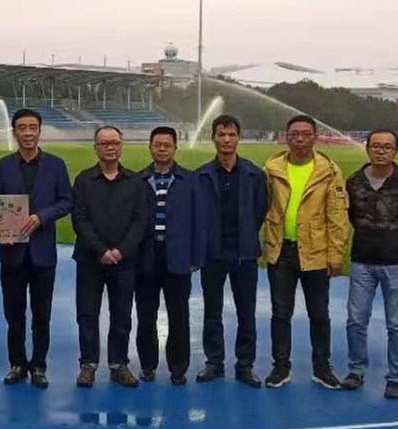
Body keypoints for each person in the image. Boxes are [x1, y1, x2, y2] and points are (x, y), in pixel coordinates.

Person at [262, 115, 350, 391]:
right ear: (287, 137)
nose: (300, 139)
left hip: (315, 251)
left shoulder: (329, 171)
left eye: (306, 134)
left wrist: (336, 254)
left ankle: (322, 368)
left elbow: (337, 215)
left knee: (319, 313)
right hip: (281, 251)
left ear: (315, 137)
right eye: (294, 134)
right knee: (280, 313)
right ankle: (281, 366)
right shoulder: (272, 169)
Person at [0, 108, 72, 389]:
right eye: (22, 127)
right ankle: (17, 363)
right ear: (14, 132)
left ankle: (39, 365)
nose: (27, 132)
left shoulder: (56, 165)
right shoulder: (3, 165)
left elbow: (66, 201)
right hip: (12, 252)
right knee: (14, 314)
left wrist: (42, 217)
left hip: (43, 253)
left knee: (41, 314)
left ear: (39, 130)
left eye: (32, 127)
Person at [343, 129, 398, 400]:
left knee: (397, 324)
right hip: (362, 262)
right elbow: (350, 217)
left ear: (396, 151)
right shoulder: (354, 182)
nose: (381, 151)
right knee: (356, 320)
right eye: (376, 146)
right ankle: (356, 370)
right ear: (367, 148)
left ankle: (396, 378)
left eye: (387, 147)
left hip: (397, 264)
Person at [70, 125, 148, 388]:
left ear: (121, 145)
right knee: (87, 314)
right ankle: (88, 364)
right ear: (96, 148)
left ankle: (118, 364)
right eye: (104, 143)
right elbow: (79, 219)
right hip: (89, 259)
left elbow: (141, 220)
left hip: (125, 261)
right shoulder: (84, 180)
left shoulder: (136, 182)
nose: (110, 147)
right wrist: (101, 250)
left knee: (122, 315)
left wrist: (121, 250)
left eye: (114, 142)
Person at [195, 114, 267, 387]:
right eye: (221, 134)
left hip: (244, 254)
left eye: (231, 134)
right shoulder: (201, 175)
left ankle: (245, 364)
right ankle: (214, 362)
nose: (226, 140)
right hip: (213, 254)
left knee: (246, 311)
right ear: (213, 138)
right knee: (212, 311)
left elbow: (259, 210)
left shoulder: (254, 174)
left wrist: (246, 234)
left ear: (238, 137)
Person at [136, 126, 205, 385]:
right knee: (146, 314)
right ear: (150, 147)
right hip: (146, 257)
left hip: (178, 256)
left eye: (167, 145)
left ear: (175, 148)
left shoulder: (190, 180)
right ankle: (148, 364)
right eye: (157, 145)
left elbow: (200, 221)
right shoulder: (138, 180)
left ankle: (178, 366)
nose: (162, 149)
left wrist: (196, 257)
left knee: (179, 314)